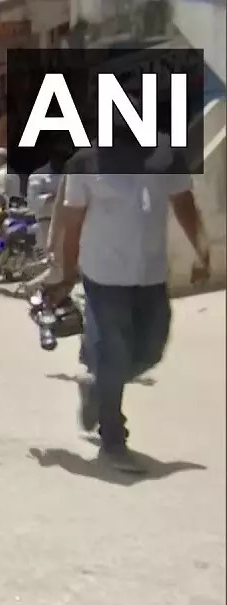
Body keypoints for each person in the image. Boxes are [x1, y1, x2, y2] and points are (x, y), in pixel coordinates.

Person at [48, 154, 211, 473]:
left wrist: (202, 252)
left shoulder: (166, 158)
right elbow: (72, 220)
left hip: (151, 274)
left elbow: (184, 204)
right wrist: (67, 274)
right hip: (103, 275)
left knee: (151, 349)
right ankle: (113, 439)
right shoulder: (86, 163)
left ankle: (97, 388)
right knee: (113, 353)